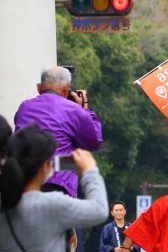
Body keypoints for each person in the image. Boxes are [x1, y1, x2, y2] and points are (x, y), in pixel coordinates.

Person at [0, 126, 108, 252]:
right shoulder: (53, 205)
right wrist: (90, 171)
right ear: (45, 167)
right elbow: (99, 210)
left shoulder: (5, 205)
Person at [14, 67, 103, 200]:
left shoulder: (24, 107)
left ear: (39, 88)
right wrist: (84, 108)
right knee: (76, 158)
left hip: (26, 181)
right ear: (66, 88)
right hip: (58, 182)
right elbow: (94, 141)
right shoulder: (74, 109)